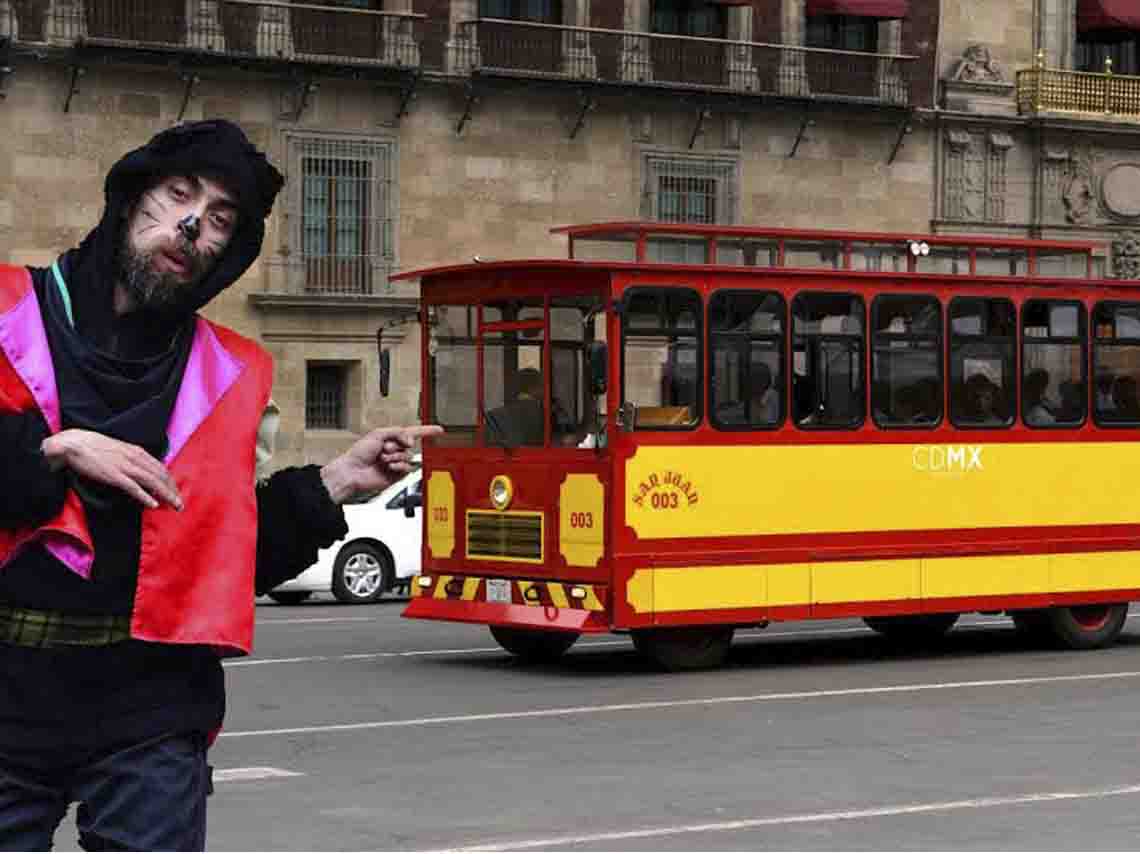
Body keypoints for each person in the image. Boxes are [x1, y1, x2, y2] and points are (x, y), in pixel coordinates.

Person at [0, 119, 441, 852]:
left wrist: (336, 482)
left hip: (151, 699)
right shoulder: (8, 310)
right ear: (130, 199)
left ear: (226, 256)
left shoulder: (227, 373)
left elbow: (222, 553)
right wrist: (53, 450)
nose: (192, 225)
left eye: (220, 221)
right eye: (178, 194)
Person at [484, 367, 545, 447]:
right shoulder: (544, 414)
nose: (545, 389)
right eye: (542, 385)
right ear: (534, 388)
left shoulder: (494, 416)